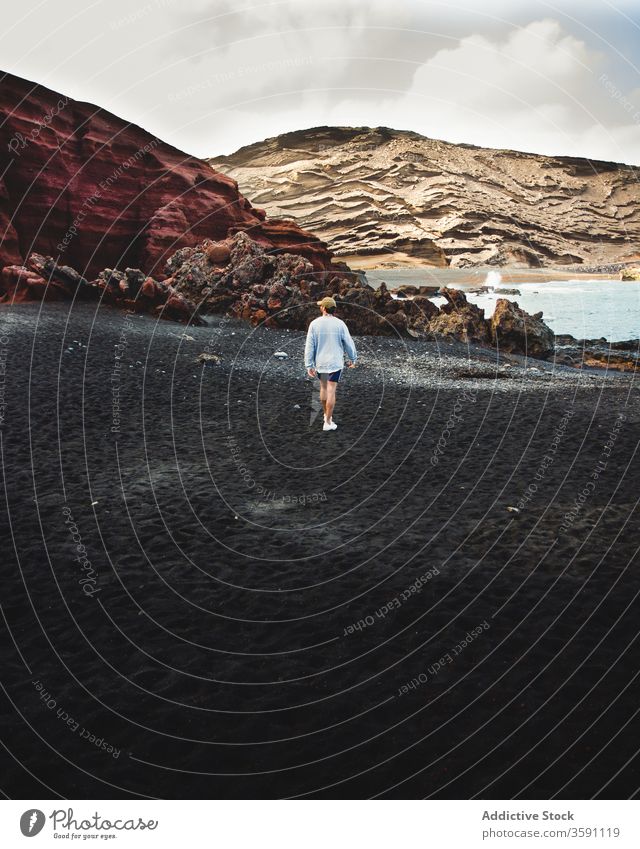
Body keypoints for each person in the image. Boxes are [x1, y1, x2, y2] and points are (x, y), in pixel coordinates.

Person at [304, 296, 357, 432]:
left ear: (323, 308)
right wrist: (352, 358)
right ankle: (328, 421)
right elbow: (349, 343)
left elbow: (310, 346)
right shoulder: (340, 324)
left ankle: (325, 415)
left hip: (321, 363)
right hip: (335, 363)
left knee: (323, 388)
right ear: (333, 309)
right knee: (331, 390)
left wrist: (309, 364)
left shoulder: (314, 324)